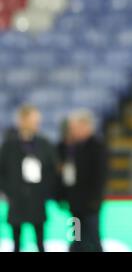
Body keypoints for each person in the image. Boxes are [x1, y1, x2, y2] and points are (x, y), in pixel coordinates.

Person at [0, 104, 58, 252]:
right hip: (16, 200)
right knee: (16, 243)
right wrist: (9, 191)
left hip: (37, 199)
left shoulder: (44, 144)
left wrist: (45, 191)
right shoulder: (9, 146)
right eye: (34, 120)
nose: (37, 124)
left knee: (40, 242)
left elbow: (52, 170)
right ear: (22, 120)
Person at [61, 109, 108, 252]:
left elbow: (100, 176)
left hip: (90, 206)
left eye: (74, 128)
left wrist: (95, 200)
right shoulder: (73, 147)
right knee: (77, 238)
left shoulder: (97, 146)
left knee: (93, 239)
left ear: (85, 126)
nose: (72, 131)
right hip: (75, 206)